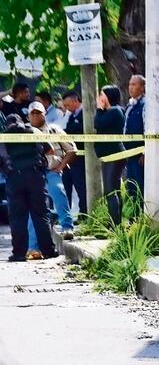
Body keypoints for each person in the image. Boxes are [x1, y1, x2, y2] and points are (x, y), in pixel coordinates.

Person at [2, 113, 57, 262]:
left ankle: (19, 254)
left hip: (14, 179)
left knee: (18, 218)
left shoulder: (3, 137)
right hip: (35, 176)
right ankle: (48, 251)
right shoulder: (33, 131)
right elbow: (49, 149)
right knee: (41, 215)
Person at [27, 102, 76, 239]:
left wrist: (60, 167)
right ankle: (34, 243)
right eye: (33, 113)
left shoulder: (54, 130)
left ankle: (67, 227)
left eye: (39, 112)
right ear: (28, 116)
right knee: (34, 207)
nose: (36, 116)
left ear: (44, 114)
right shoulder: (24, 131)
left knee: (59, 194)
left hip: (51, 171)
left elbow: (72, 150)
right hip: (33, 174)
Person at [95, 85, 126, 223]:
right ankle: (115, 221)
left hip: (115, 155)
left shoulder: (115, 111)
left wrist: (99, 109)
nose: (100, 98)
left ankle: (115, 224)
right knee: (113, 190)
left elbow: (98, 123)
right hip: (107, 155)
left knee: (110, 190)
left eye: (102, 94)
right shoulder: (108, 111)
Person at [62, 92, 87, 214]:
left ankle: (85, 214)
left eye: (68, 105)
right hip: (71, 158)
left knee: (82, 187)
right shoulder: (72, 116)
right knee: (69, 186)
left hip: (81, 158)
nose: (66, 108)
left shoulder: (85, 114)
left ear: (76, 101)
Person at [124, 75, 146, 199]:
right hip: (129, 153)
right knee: (131, 186)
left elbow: (147, 129)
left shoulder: (145, 105)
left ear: (142, 87)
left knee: (140, 185)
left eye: (134, 85)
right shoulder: (130, 105)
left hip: (139, 154)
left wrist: (145, 152)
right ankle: (134, 215)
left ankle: (142, 213)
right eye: (130, 84)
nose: (130, 87)